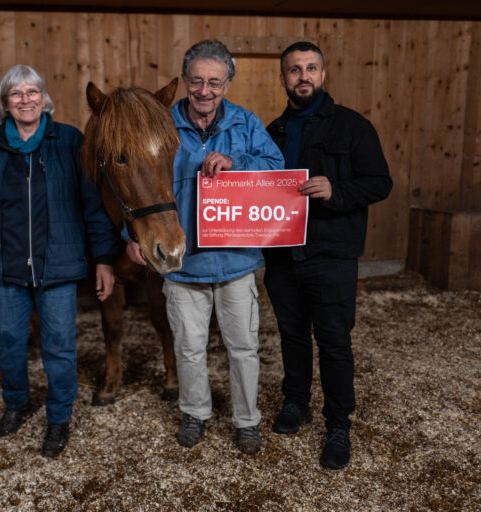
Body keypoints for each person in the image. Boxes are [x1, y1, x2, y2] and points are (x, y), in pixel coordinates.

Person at [127, 40, 284, 454]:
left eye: (214, 82)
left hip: (236, 261)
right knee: (189, 348)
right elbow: (136, 183)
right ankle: (195, 413)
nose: (204, 90)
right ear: (184, 80)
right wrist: (131, 237)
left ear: (228, 83)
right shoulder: (161, 125)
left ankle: (247, 421)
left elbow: (277, 170)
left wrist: (238, 163)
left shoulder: (246, 124)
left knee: (244, 348)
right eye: (196, 80)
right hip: (183, 261)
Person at [0, 65, 118, 457]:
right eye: (16, 93)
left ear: (43, 97)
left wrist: (104, 259)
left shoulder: (69, 140)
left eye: (32, 91)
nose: (25, 100)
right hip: (6, 265)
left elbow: (93, 205)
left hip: (57, 264)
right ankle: (15, 403)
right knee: (8, 341)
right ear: (5, 103)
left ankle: (58, 417)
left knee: (59, 345)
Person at [264, 41, 392, 469]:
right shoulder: (272, 132)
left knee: (334, 342)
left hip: (331, 254)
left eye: (311, 68)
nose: (303, 76)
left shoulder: (353, 126)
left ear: (323, 74)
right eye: (295, 70)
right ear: (283, 78)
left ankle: (338, 423)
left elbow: (379, 182)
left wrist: (337, 190)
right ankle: (296, 401)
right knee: (292, 335)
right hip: (283, 254)